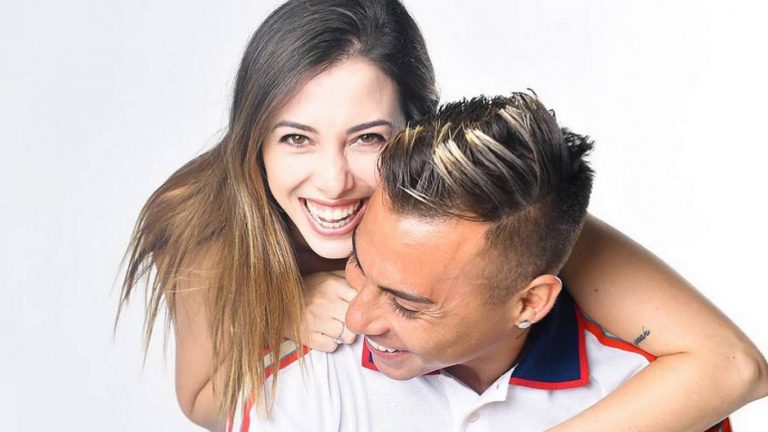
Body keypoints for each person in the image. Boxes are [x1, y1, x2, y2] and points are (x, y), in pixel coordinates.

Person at [116, 0, 767, 431]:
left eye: (368, 138)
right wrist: (284, 305)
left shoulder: (499, 219)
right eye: (295, 138)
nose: (333, 180)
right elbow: (206, 400)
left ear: (416, 136)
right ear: (252, 141)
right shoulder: (205, 223)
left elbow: (731, 366)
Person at [229, 93, 734, 432]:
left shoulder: (658, 402)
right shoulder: (301, 381)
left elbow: (734, 366)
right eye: (359, 263)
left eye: (407, 303)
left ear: (530, 303)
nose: (357, 318)